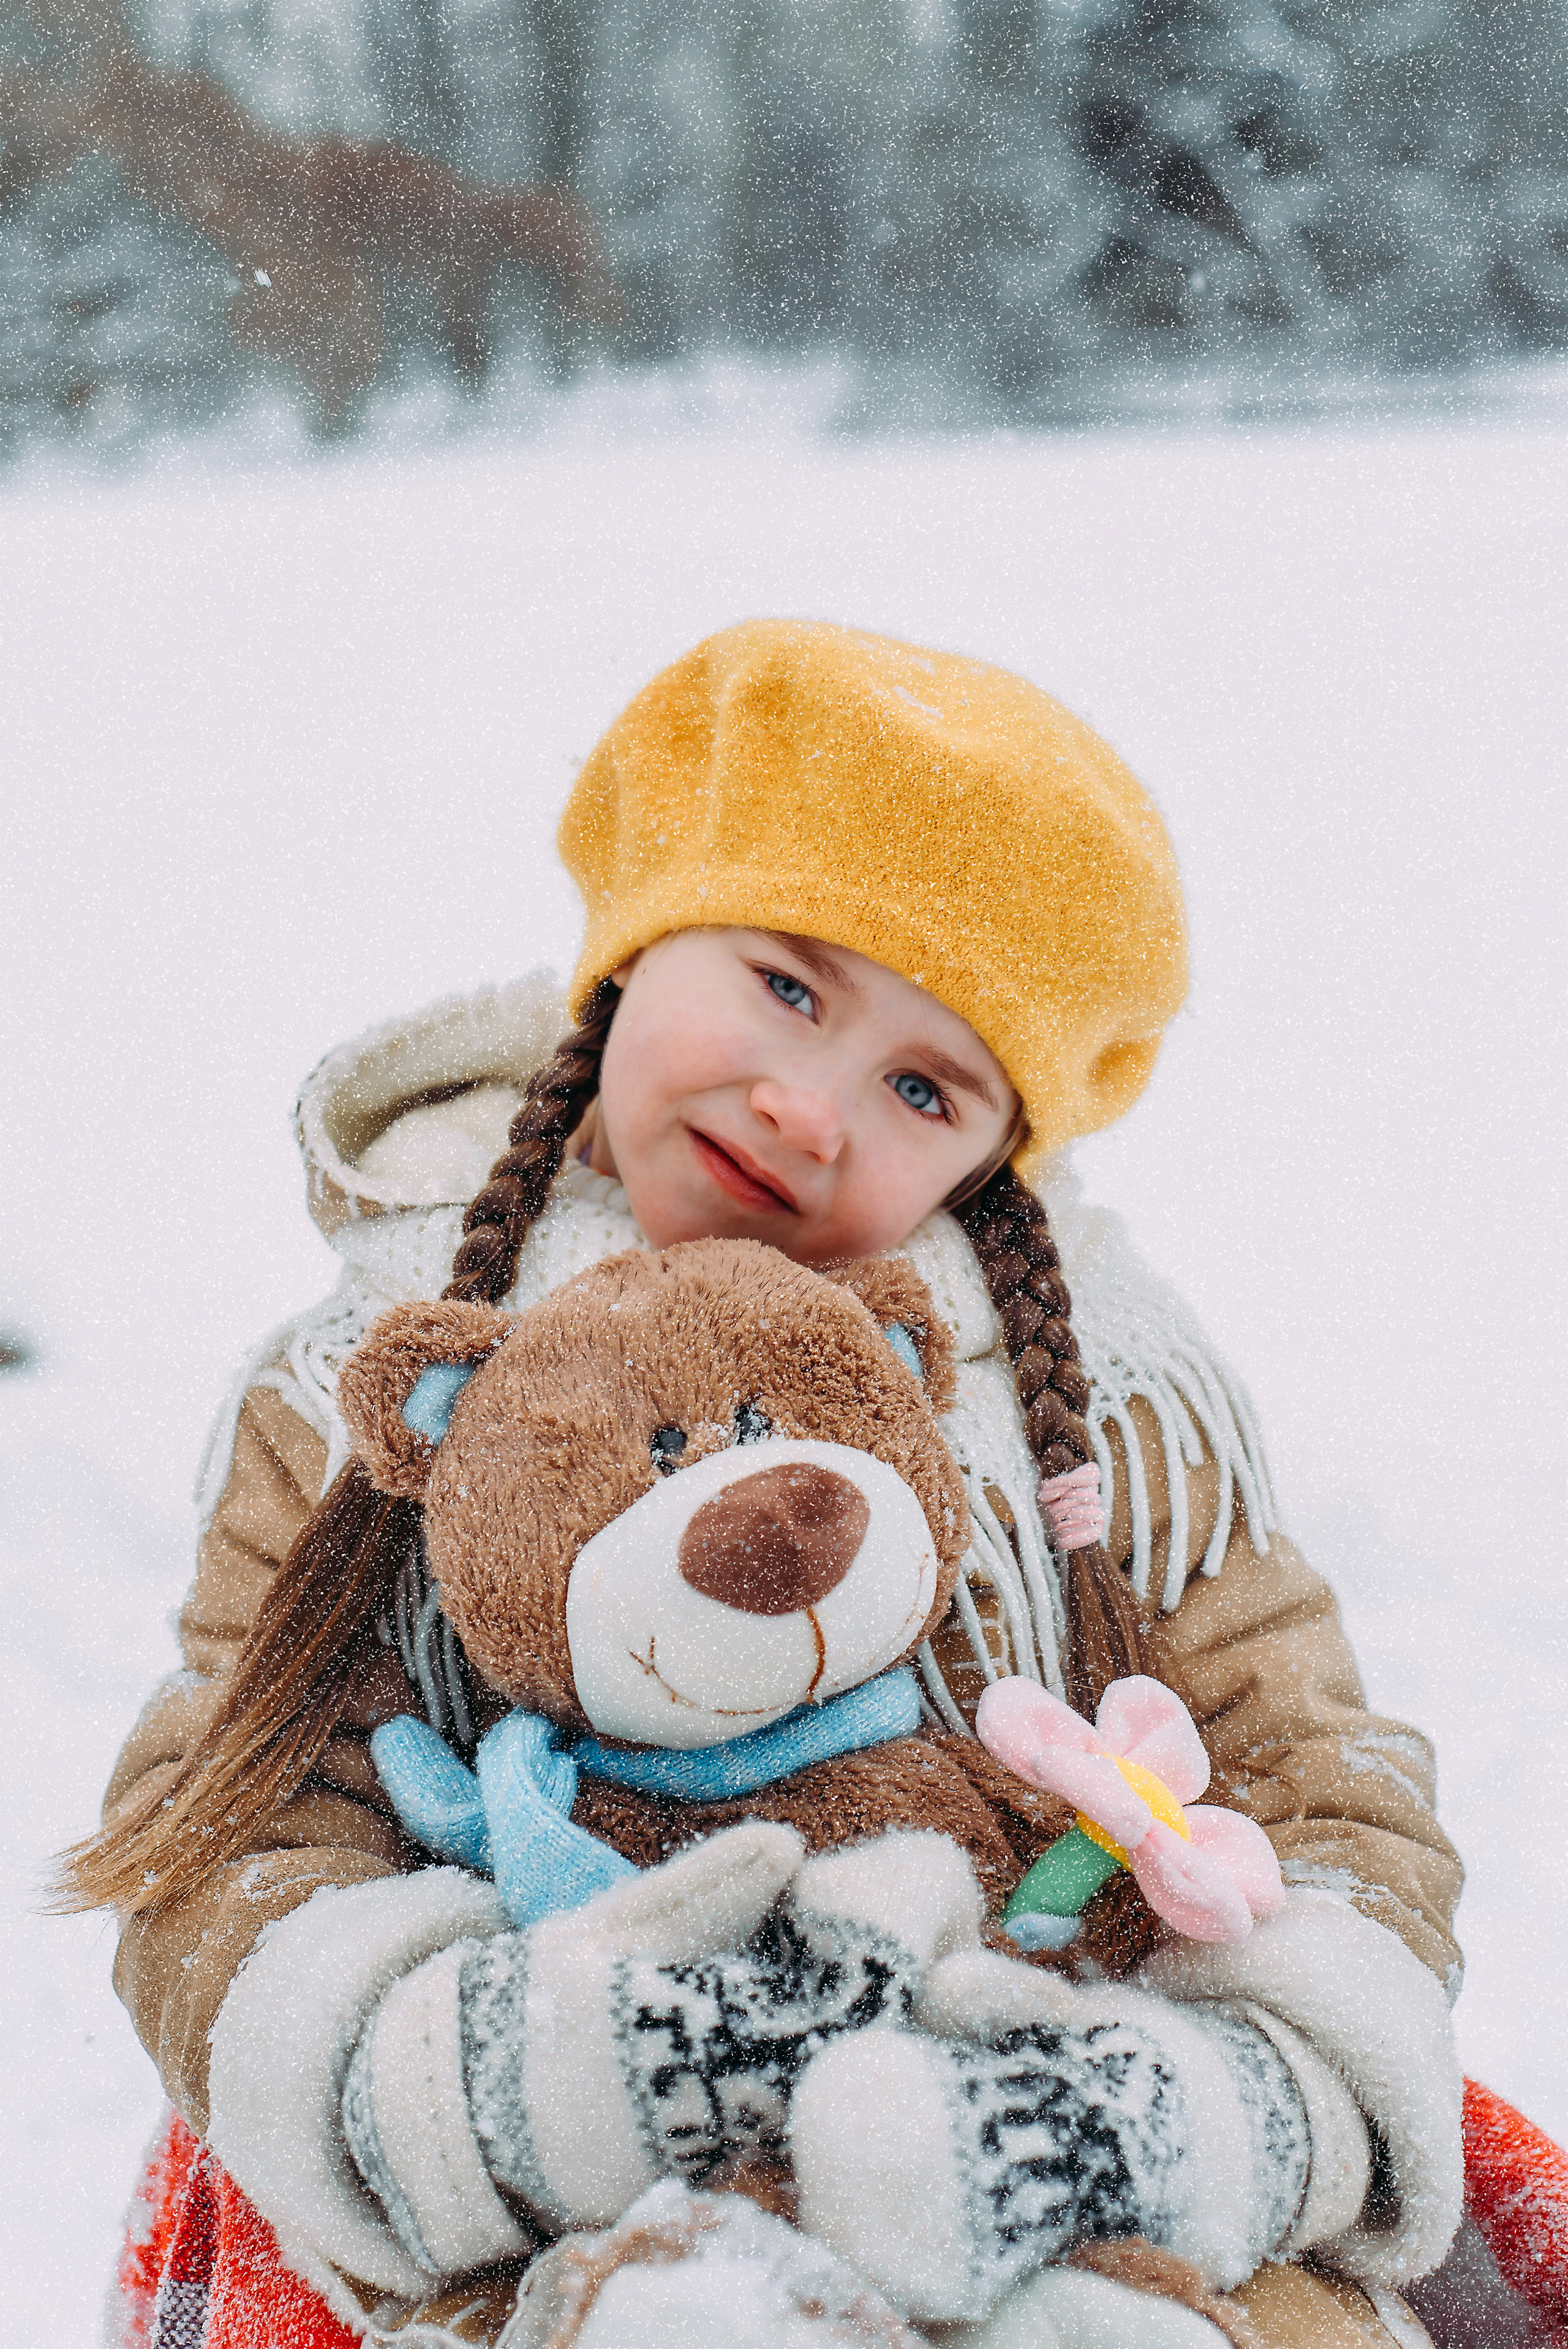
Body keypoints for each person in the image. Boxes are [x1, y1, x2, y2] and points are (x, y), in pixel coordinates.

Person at [66, 620, 1466, 2349]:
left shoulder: (1099, 1402)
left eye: (922, 1083)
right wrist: (528, 2075)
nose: (810, 1109)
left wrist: (1189, 2101)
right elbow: (239, 1831)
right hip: (548, 2209)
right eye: (787, 985)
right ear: (637, 945)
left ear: (993, 1148)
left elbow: (1323, 1782)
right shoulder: (376, 1376)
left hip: (1053, 2142)